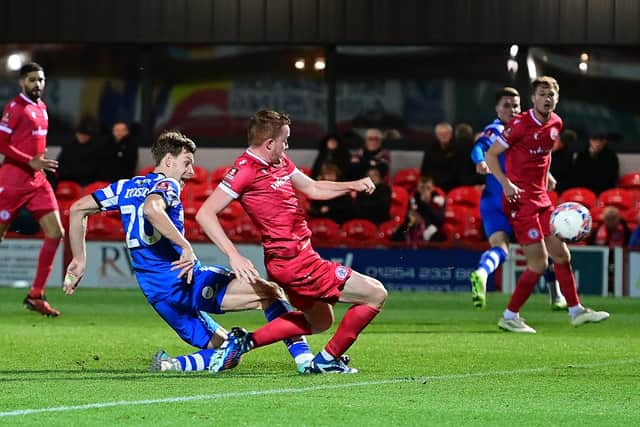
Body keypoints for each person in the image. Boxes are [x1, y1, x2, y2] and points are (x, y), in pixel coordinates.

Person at [62, 130, 315, 373]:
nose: (191, 172)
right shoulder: (167, 184)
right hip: (184, 281)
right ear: (169, 161)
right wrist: (184, 245)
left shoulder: (125, 187)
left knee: (227, 351)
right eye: (187, 163)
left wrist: (79, 258)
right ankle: (306, 361)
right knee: (271, 292)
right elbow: (152, 209)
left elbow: (77, 208)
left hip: (158, 294)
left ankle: (172, 365)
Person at [195, 110, 387, 374]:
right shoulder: (245, 169)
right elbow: (205, 213)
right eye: (284, 140)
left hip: (297, 259)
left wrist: (352, 184)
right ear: (269, 143)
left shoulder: (280, 162)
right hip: (293, 262)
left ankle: (244, 342)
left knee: (320, 321)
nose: (287, 145)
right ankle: (326, 361)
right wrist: (234, 255)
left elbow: (312, 188)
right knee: (376, 293)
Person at [485, 76, 609, 333]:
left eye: (551, 94)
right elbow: (491, 154)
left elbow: (545, 152)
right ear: (533, 98)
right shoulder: (519, 124)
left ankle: (575, 311)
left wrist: (548, 175)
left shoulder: (556, 123)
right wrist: (506, 183)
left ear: (557, 98)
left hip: (542, 198)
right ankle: (509, 315)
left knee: (562, 255)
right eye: (542, 94)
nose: (547, 98)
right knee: (539, 264)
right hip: (520, 201)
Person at [469, 87, 566, 311]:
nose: (512, 110)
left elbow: (536, 155)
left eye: (515, 105)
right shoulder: (496, 129)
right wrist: (479, 161)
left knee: (501, 248)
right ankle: (555, 295)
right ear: (496, 108)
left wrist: (547, 174)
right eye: (506, 105)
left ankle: (482, 273)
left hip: (503, 200)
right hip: (507, 199)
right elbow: (479, 147)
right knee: (542, 247)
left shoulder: (524, 127)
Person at [0, 62, 64, 316]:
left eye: (41, 80)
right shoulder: (15, 108)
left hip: (37, 181)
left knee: (56, 232)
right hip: (12, 181)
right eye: (32, 80)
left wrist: (37, 164)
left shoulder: (42, 108)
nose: (37, 85)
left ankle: (36, 295)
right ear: (21, 82)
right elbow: (2, 143)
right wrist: (29, 161)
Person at [391, 175, 446, 244]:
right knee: (399, 232)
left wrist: (424, 204)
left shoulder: (438, 200)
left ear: (432, 188)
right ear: (417, 188)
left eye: (428, 188)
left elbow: (439, 220)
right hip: (413, 228)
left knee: (438, 235)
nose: (425, 191)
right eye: (422, 188)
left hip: (432, 230)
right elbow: (408, 219)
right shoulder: (413, 200)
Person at [420, 122, 464, 192]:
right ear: (436, 135)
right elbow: (425, 171)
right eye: (441, 134)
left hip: (454, 186)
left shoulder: (459, 150)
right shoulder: (430, 149)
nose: (443, 136)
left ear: (451, 134)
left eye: (446, 134)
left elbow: (459, 171)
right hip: (434, 186)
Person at [57, 118, 100, 186]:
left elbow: (93, 168)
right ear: (76, 134)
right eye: (80, 134)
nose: (82, 137)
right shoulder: (68, 147)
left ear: (89, 136)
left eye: (85, 135)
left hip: (86, 182)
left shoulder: (94, 149)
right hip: (67, 180)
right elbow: (60, 163)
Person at [550, 129, 577, 195]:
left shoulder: (567, 156)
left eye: (557, 140)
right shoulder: (548, 153)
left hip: (560, 189)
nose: (553, 142)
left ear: (563, 143)